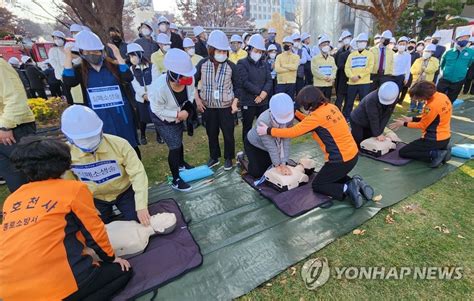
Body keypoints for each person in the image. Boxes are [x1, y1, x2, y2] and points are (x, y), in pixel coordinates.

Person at [0, 137, 132, 301]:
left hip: (8, 291)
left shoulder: (13, 199)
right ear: (63, 164)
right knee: (122, 272)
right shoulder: (73, 190)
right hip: (58, 286)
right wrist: (111, 258)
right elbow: (94, 231)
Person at [256, 86, 372, 208]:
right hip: (352, 155)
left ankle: (347, 188)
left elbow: (293, 132)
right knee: (332, 177)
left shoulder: (316, 117)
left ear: (309, 104)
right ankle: (356, 182)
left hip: (340, 160)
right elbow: (310, 122)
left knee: (318, 185)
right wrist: (294, 113)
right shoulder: (331, 107)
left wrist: (268, 130)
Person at [62, 105, 151, 225]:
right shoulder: (65, 153)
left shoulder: (120, 144)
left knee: (140, 221)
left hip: (124, 192)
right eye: (82, 140)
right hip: (94, 198)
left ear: (101, 130)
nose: (88, 144)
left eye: (91, 138)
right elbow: (68, 185)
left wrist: (141, 205)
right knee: (97, 228)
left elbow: (138, 173)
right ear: (70, 138)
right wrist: (85, 205)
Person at [62, 30, 140, 156]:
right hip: (98, 115)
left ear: (102, 51)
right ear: (82, 53)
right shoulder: (80, 71)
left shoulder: (113, 67)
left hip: (121, 113)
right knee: (106, 147)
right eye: (88, 52)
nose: (93, 55)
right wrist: (68, 56)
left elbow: (128, 77)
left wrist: (118, 56)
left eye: (96, 51)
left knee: (129, 145)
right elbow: (68, 81)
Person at [148, 49, 196, 191]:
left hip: (180, 112)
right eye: (183, 77)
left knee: (179, 140)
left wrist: (187, 109)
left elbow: (191, 94)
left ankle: (181, 164)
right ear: (173, 74)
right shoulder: (159, 88)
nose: (187, 80)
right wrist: (176, 114)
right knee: (174, 146)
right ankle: (176, 179)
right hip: (163, 118)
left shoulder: (189, 80)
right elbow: (157, 109)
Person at [194, 30, 240, 170]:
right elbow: (193, 83)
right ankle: (214, 157)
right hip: (208, 106)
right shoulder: (202, 64)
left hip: (226, 107)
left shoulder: (231, 66)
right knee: (211, 133)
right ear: (211, 50)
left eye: (224, 51)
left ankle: (228, 158)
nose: (222, 54)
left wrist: (234, 103)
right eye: (219, 51)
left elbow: (238, 87)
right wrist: (197, 100)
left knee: (228, 134)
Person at [390, 81, 452, 168]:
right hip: (445, 137)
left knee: (403, 152)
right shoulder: (442, 96)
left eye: (416, 97)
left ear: (423, 95)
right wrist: (411, 119)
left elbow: (422, 125)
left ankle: (435, 154)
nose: (415, 99)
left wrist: (404, 124)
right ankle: (443, 147)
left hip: (433, 140)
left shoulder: (431, 106)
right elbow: (431, 117)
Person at [0, 58, 36, 193]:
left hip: (14, 129)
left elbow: (15, 97)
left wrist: (5, 126)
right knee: (15, 183)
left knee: (31, 176)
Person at [243, 93, 293, 178]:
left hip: (272, 145)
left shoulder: (289, 116)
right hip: (255, 144)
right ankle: (242, 159)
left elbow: (286, 140)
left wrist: (284, 163)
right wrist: (277, 165)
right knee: (258, 173)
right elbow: (270, 146)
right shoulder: (263, 120)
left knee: (280, 165)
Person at [237, 34, 273, 144]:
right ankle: (247, 146)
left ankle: (263, 145)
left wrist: (263, 95)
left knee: (264, 124)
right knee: (247, 125)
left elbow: (269, 80)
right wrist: (259, 93)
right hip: (248, 100)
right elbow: (245, 82)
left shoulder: (265, 64)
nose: (258, 53)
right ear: (250, 49)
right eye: (256, 50)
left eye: (260, 51)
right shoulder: (242, 63)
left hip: (263, 101)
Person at [127, 43, 163, 145]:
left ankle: (159, 135)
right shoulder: (132, 69)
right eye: (130, 56)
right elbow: (134, 83)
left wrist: (150, 95)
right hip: (141, 98)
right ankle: (142, 135)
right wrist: (143, 95)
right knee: (142, 118)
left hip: (153, 96)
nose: (132, 58)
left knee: (156, 116)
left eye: (133, 55)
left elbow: (156, 80)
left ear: (140, 54)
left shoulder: (152, 66)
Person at [350, 81, 399, 146]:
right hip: (358, 120)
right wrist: (377, 134)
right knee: (358, 141)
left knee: (370, 142)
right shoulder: (371, 99)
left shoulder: (393, 98)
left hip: (370, 123)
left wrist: (380, 132)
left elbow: (386, 116)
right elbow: (373, 118)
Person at [436, 29, 474, 103]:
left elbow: (469, 63)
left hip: (458, 80)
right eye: (462, 38)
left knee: (450, 100)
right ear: (457, 39)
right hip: (445, 79)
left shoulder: (471, 52)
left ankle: (446, 113)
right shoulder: (448, 52)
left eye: (466, 38)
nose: (464, 40)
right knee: (437, 98)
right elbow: (442, 64)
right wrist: (443, 74)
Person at [344, 33, 374, 119]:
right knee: (349, 101)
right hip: (352, 82)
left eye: (363, 41)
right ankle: (347, 117)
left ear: (366, 43)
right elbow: (347, 68)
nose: (361, 43)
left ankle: (362, 117)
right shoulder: (352, 55)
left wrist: (359, 76)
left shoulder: (369, 54)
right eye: (360, 41)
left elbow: (370, 68)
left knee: (363, 102)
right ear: (357, 43)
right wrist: (351, 76)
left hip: (364, 82)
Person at [410, 44, 440, 112]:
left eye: (429, 51)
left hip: (426, 81)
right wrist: (419, 70)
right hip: (416, 80)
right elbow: (412, 69)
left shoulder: (435, 60)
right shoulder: (418, 60)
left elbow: (434, 69)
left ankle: (420, 108)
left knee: (423, 95)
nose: (426, 53)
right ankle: (412, 106)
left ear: (432, 53)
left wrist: (425, 69)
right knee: (414, 94)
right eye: (426, 51)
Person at [311, 34, 337, 100]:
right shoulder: (315, 59)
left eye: (327, 44)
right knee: (318, 103)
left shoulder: (332, 59)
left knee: (327, 102)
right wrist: (325, 77)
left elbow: (334, 69)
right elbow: (315, 71)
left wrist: (331, 77)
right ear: (319, 46)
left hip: (328, 84)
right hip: (319, 85)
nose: (326, 46)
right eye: (324, 44)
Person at [334, 31, 352, 111]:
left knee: (349, 100)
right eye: (344, 38)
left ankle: (345, 116)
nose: (346, 40)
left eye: (348, 37)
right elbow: (337, 65)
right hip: (341, 78)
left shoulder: (355, 50)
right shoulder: (339, 52)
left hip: (351, 78)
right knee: (339, 99)